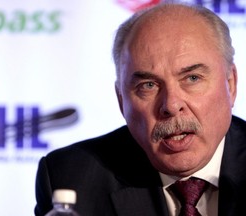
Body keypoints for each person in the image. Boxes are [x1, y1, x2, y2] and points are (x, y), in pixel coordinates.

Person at [34, 2, 246, 216]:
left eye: (192, 78)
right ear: (121, 100)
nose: (171, 105)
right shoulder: (72, 178)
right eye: (148, 86)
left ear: (230, 84)